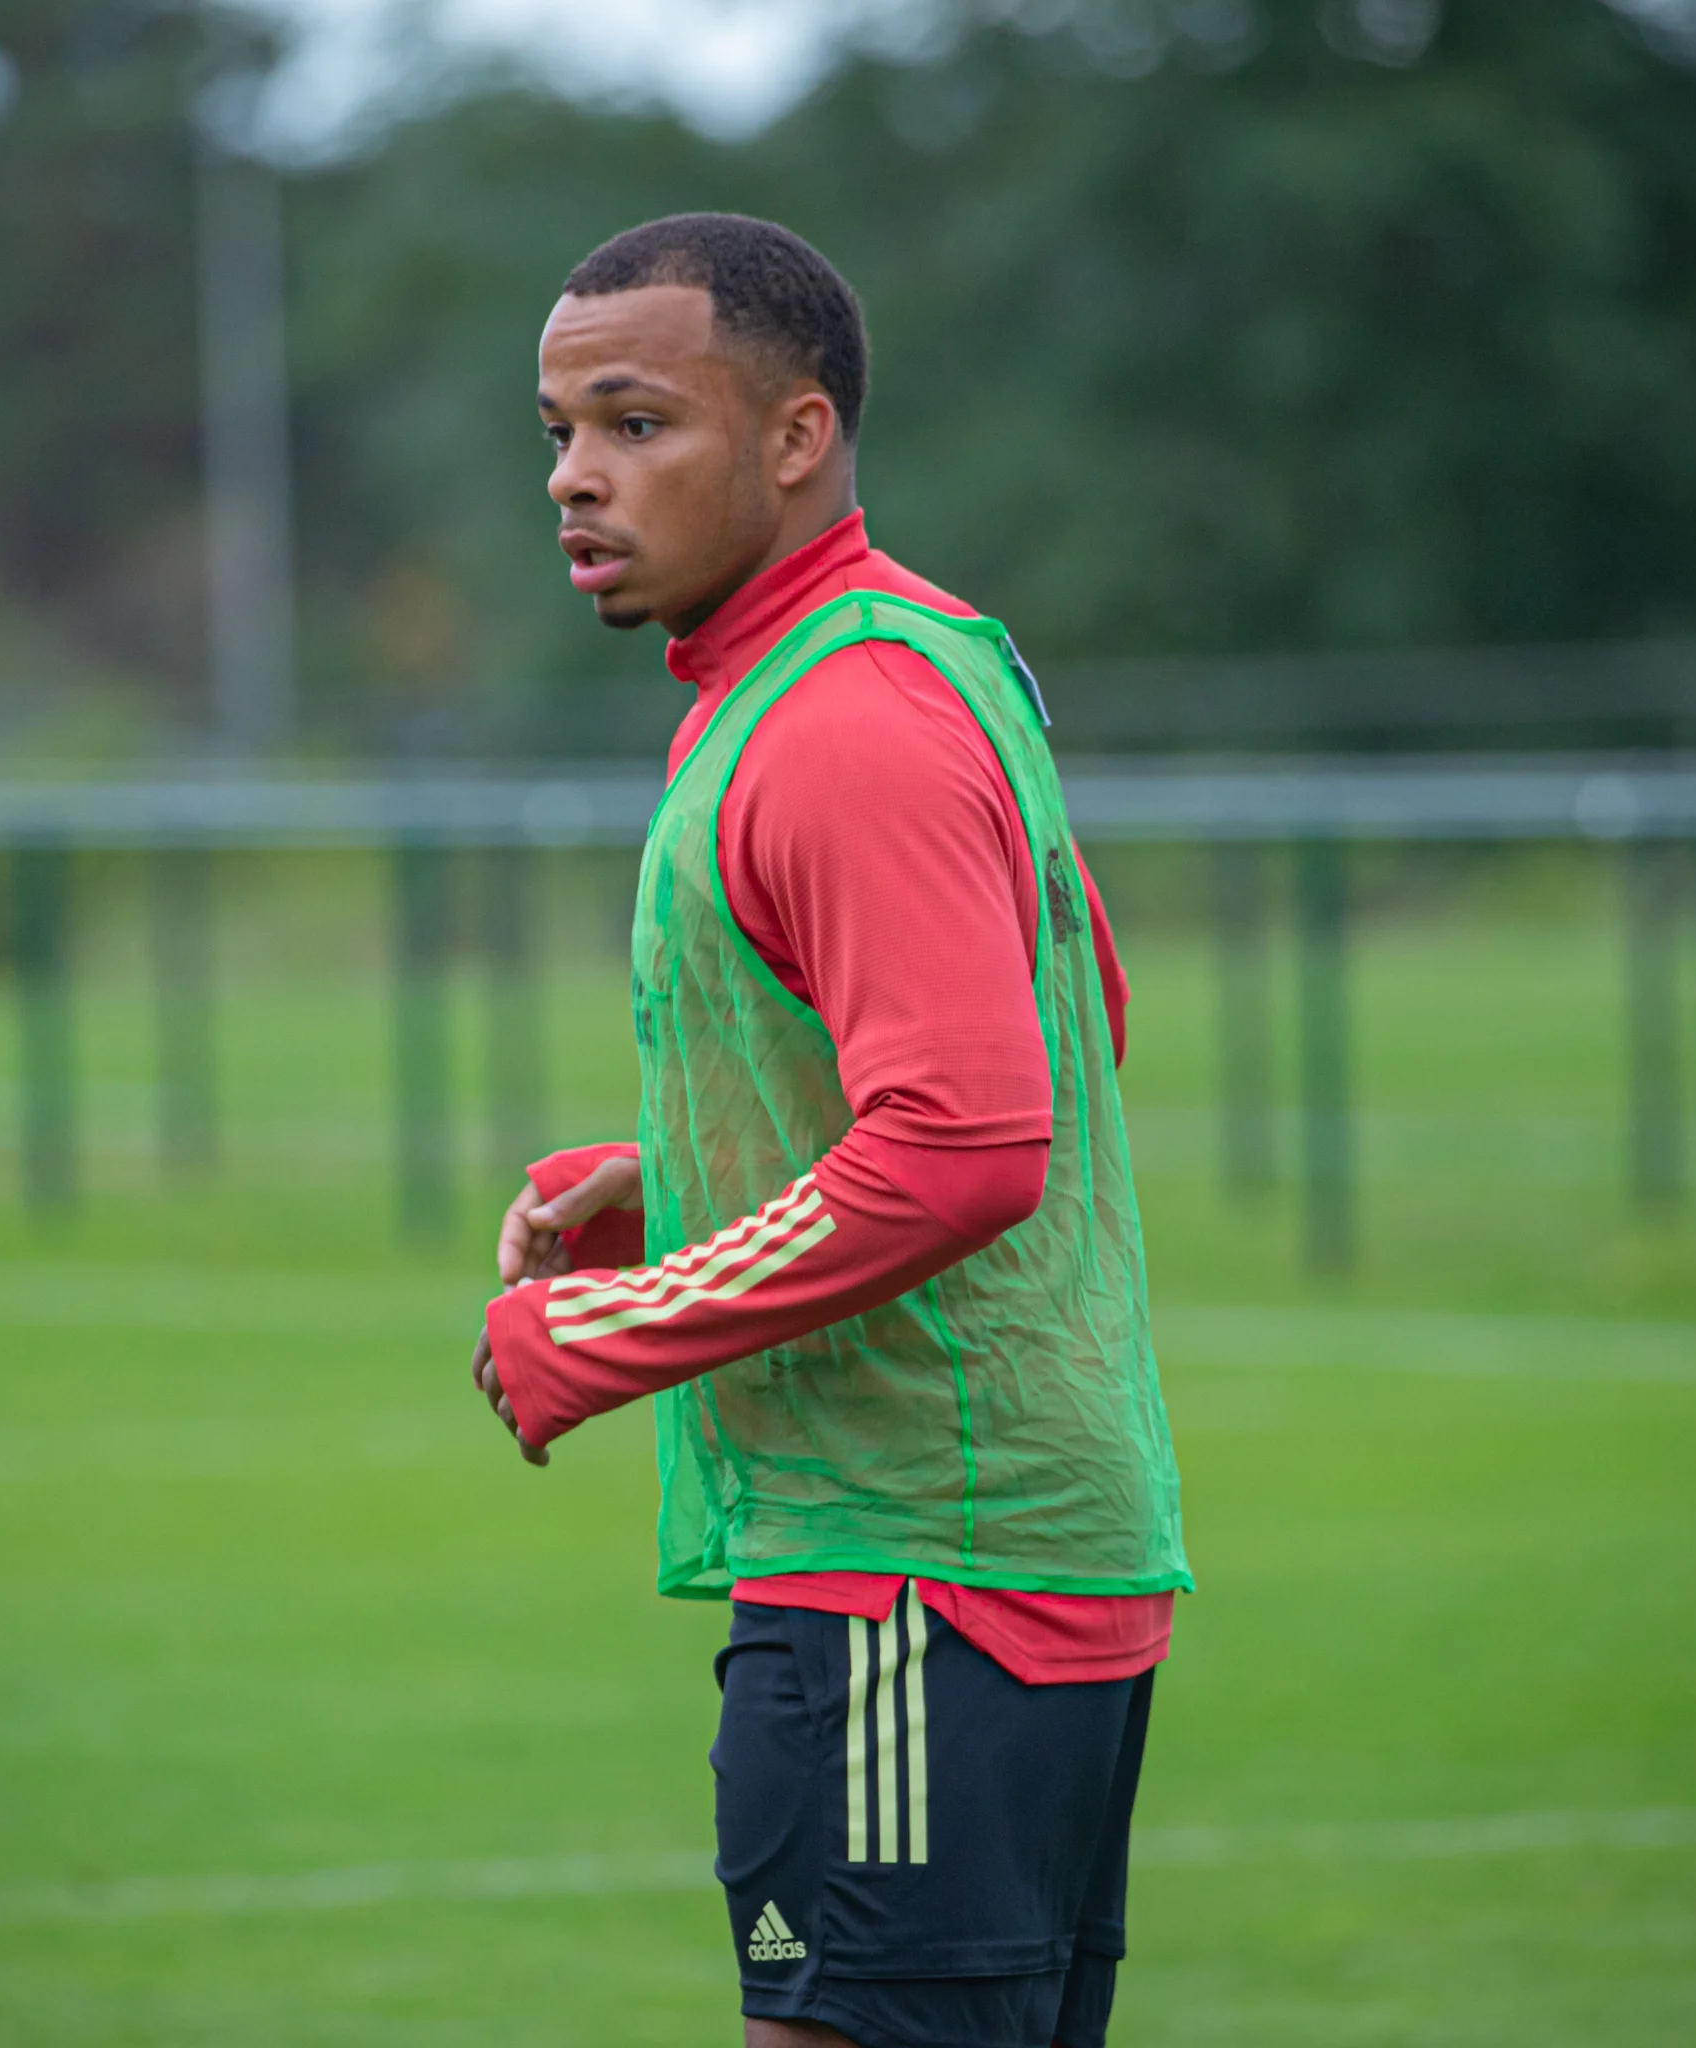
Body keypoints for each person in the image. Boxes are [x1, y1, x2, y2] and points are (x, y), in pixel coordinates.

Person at [467, 213, 1190, 2048]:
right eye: (557, 432)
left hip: (912, 1584)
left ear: (796, 436)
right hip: (998, 1565)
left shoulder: (840, 724)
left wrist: (612, 1328)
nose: (574, 479)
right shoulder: (908, 654)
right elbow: (1062, 1030)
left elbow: (963, 1141)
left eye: (635, 426)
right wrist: (685, 1182)